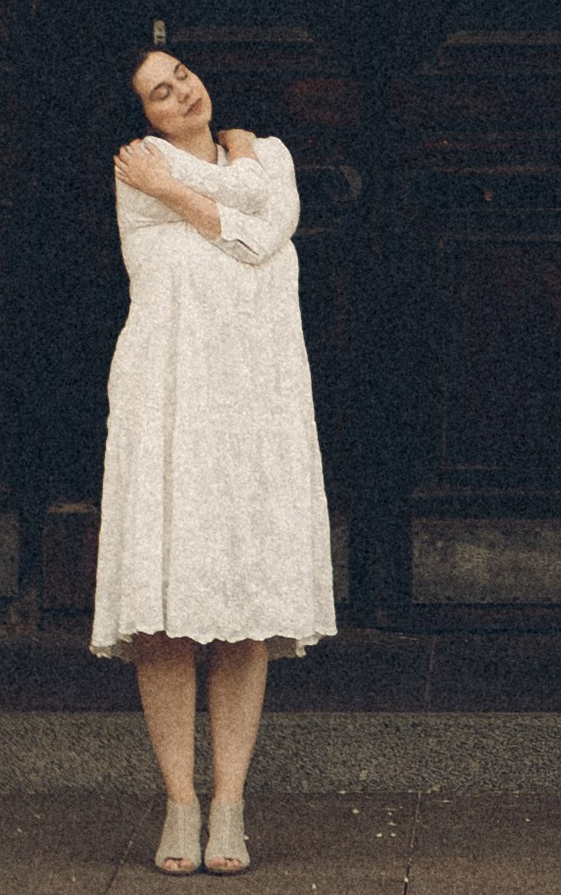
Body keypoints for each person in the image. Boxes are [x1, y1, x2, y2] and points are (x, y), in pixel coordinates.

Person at [94, 45, 337, 875]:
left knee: (246, 605)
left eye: (183, 76)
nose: (181, 93)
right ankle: (179, 801)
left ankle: (229, 803)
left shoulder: (265, 155)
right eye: (159, 94)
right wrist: (211, 181)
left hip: (255, 401)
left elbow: (270, 233)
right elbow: (252, 228)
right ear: (144, 119)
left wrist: (193, 190)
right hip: (170, 398)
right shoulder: (138, 168)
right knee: (164, 611)